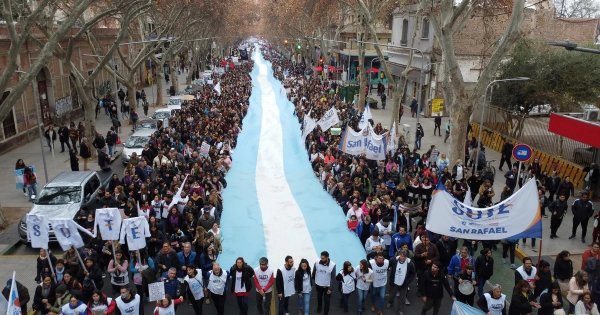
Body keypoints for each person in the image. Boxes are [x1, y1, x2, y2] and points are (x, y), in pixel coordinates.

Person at [388, 250, 415, 314]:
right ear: (399, 255)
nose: (402, 258)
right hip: (394, 282)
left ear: (406, 257)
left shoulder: (410, 263)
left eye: (404, 256)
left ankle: (400, 310)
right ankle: (390, 302)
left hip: (404, 284)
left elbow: (413, 274)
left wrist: (408, 281)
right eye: (401, 256)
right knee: (392, 295)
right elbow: (388, 266)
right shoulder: (393, 260)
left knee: (402, 298)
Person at [312, 251, 336, 315]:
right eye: (321, 258)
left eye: (323, 258)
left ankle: (326, 313)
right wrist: (315, 281)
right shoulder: (317, 262)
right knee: (319, 298)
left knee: (327, 301)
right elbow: (314, 272)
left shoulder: (332, 265)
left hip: (327, 287)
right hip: (318, 285)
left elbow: (333, 277)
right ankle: (319, 306)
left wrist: (330, 289)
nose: (321, 259)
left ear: (327, 258)